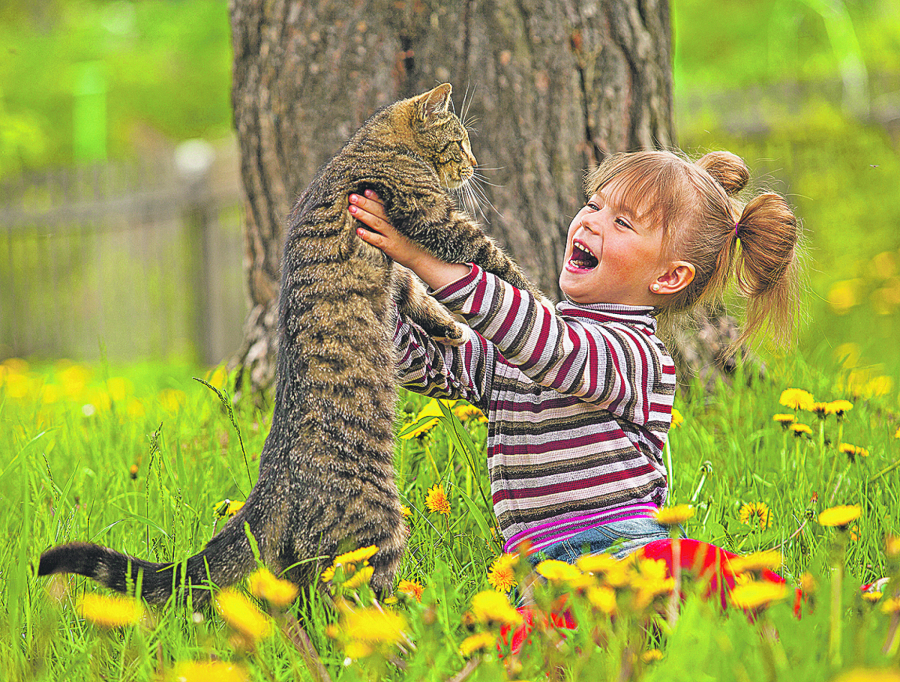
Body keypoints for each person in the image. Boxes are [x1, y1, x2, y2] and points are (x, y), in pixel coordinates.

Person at [348, 149, 801, 567]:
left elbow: (553, 350)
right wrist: (361, 292)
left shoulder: (637, 356)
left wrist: (424, 260)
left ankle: (816, 604)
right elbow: (431, 362)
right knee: (526, 640)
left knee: (693, 571)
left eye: (622, 223)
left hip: (629, 552)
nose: (590, 222)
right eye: (593, 204)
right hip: (538, 568)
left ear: (668, 277)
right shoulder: (523, 345)